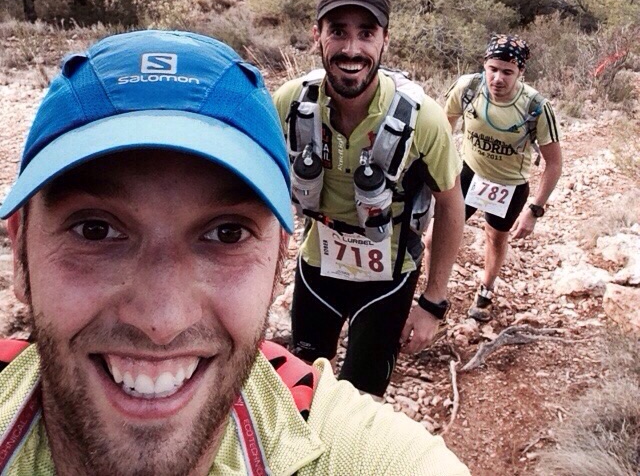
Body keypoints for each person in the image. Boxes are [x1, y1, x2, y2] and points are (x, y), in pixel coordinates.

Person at [0, 29, 470, 476]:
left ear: (276, 260)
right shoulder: (293, 103)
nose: (161, 321)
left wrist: (433, 299)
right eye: (96, 230)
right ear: (19, 251)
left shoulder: (359, 451)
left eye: (227, 234)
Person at [273, 0, 464, 399]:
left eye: (367, 33)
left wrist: (433, 303)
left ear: (385, 41)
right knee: (301, 392)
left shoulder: (423, 120)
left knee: (361, 400)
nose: (352, 49)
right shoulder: (289, 104)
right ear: (316, 36)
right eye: (338, 31)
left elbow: (451, 206)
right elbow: (255, 188)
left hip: (389, 278)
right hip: (317, 267)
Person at [444, 34, 563, 321]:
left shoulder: (535, 107)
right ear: (484, 65)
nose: (498, 78)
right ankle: (436, 294)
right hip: (469, 173)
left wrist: (534, 210)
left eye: (508, 72)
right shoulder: (468, 88)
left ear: (521, 72)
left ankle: (485, 290)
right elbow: (443, 128)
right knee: (436, 236)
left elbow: (554, 163)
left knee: (495, 237)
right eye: (492, 69)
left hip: (509, 185)